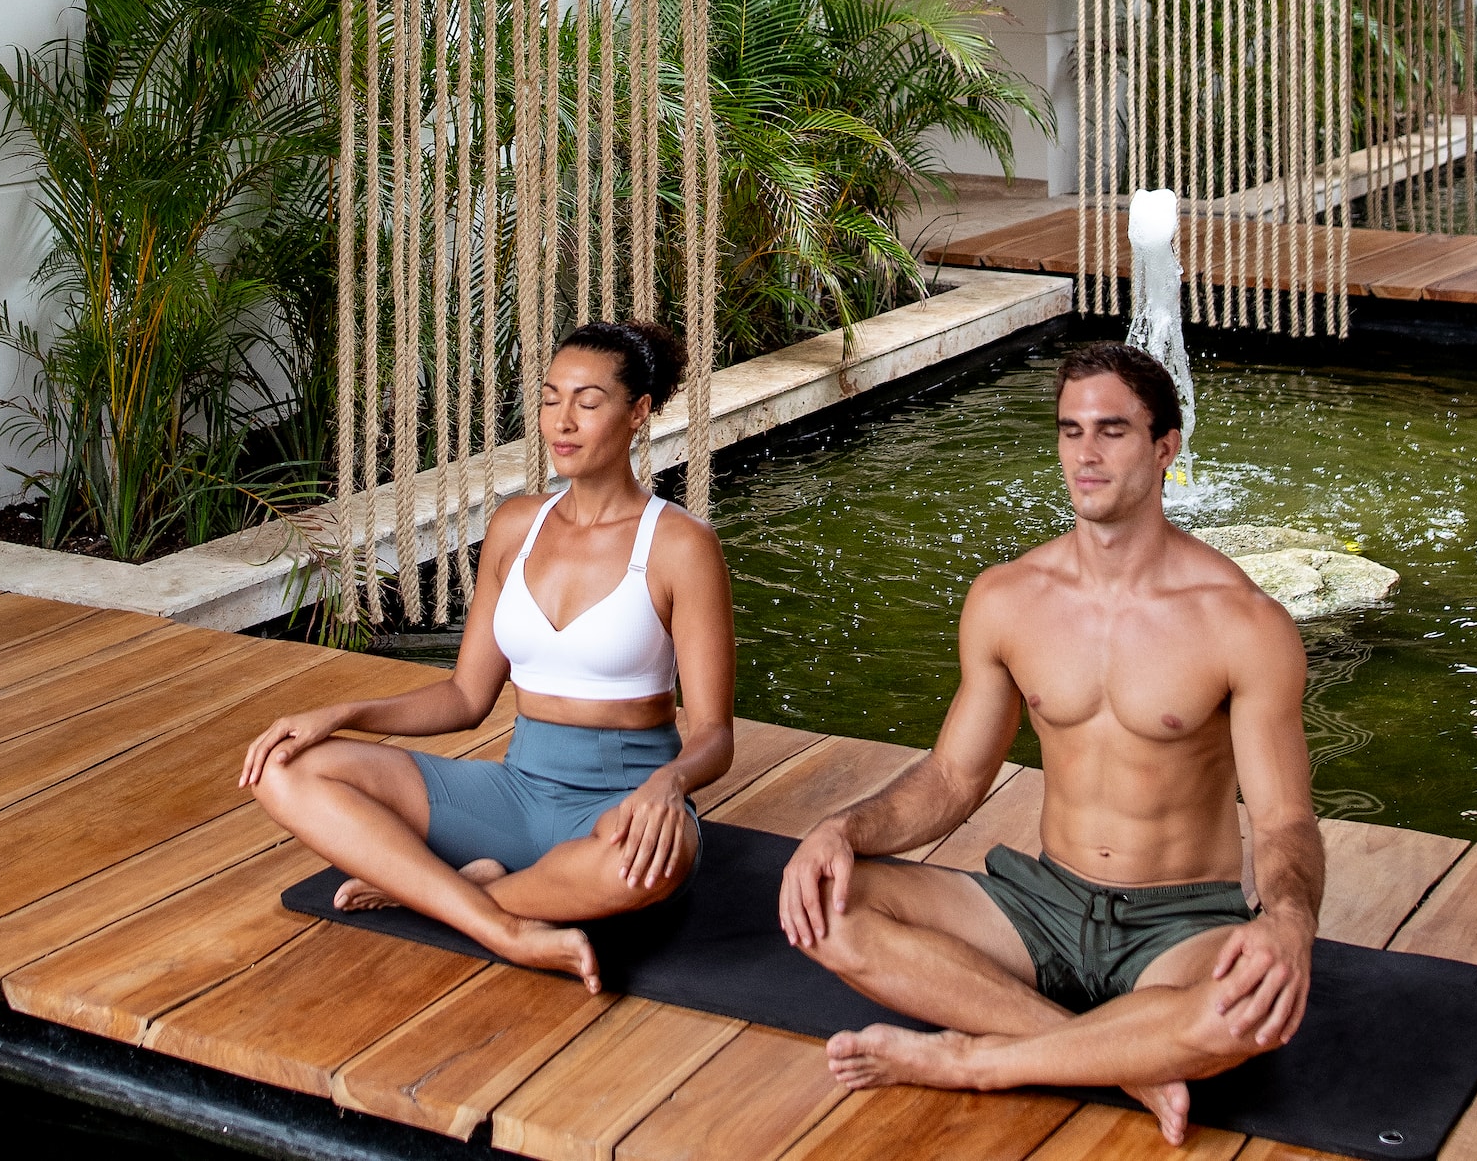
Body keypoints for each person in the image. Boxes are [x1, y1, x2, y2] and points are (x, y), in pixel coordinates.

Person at [777, 342, 1322, 1147]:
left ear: (1166, 446)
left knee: (1248, 1013)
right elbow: (955, 778)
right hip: (1040, 903)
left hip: (1180, 926)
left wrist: (1288, 924)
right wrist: (840, 831)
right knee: (826, 905)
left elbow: (1284, 822)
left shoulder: (1242, 623)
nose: (1087, 454)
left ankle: (976, 1059)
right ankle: (1120, 1059)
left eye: (1112, 431)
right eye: (1071, 432)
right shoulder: (1007, 599)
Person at [242, 321, 736, 993]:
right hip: (513, 793)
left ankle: (442, 893)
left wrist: (666, 787)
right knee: (285, 771)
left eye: (588, 403)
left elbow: (714, 734)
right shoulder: (515, 527)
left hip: (622, 804)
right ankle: (499, 921)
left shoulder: (681, 544)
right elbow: (466, 698)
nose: (562, 421)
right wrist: (340, 713)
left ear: (638, 412)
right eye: (550, 398)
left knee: (653, 863)